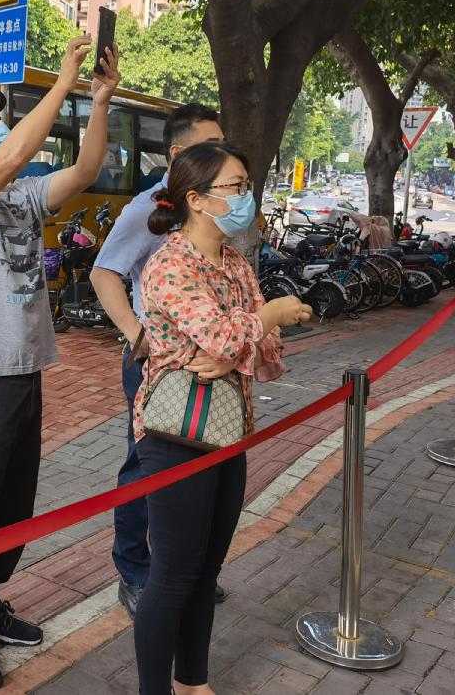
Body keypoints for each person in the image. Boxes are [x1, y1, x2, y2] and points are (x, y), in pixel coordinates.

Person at [0, 36, 120, 690]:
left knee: (12, 504)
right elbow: (11, 156)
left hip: (24, 367)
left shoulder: (22, 196)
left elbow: (83, 171)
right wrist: (62, 83)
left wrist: (99, 100)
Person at [134, 142, 310, 695]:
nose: (245, 197)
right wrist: (266, 316)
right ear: (196, 199)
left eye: (245, 185)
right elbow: (232, 336)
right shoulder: (171, 264)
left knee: (206, 572)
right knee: (173, 575)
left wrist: (240, 345)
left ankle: (193, 683)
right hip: (175, 437)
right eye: (234, 187)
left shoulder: (234, 262)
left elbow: (265, 353)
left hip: (228, 431)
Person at [89, 103, 228, 619]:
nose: (221, 155)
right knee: (144, 469)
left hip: (205, 363)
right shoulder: (149, 208)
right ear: (176, 154)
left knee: (194, 472)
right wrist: (136, 332)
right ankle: (134, 571)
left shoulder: (209, 206)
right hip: (156, 365)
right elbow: (105, 272)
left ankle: (180, 569)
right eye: (210, 146)